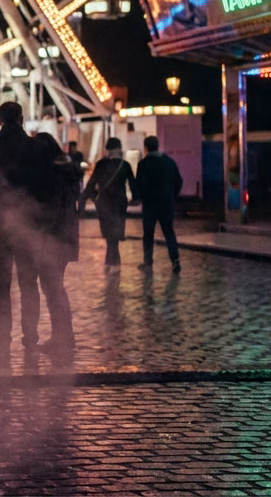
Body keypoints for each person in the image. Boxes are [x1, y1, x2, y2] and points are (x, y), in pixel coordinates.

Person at [0, 101, 46, 360]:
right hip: (28, 225)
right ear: (21, 119)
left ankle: (1, 341)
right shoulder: (36, 149)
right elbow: (46, 189)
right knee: (29, 284)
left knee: (1, 287)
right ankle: (30, 337)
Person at [31, 132, 82, 357]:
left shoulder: (51, 175)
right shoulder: (68, 172)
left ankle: (63, 337)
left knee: (53, 288)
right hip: (66, 236)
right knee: (55, 286)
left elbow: (49, 211)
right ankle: (63, 336)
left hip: (52, 238)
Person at [81, 137, 138, 273]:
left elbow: (91, 183)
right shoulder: (125, 165)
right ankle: (112, 262)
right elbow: (133, 184)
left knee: (109, 233)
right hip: (119, 203)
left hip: (104, 203)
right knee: (114, 232)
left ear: (107, 149)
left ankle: (113, 263)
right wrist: (136, 198)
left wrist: (84, 199)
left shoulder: (100, 164)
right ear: (119, 149)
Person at [135, 134, 183, 274]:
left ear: (146, 148)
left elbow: (140, 185)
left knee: (148, 235)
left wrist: (141, 198)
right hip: (166, 204)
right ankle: (175, 261)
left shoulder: (143, 164)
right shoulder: (169, 162)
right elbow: (178, 181)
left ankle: (148, 263)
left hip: (149, 206)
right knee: (169, 233)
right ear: (158, 146)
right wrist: (172, 196)